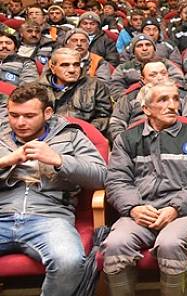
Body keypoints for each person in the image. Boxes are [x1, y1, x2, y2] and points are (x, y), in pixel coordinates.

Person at [102, 80, 187, 295]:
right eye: (163, 100)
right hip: (140, 212)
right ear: (145, 109)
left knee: (170, 243)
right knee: (115, 243)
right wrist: (134, 208)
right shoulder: (127, 139)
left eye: (175, 98)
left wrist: (176, 208)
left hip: (186, 212)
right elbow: (117, 180)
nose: (173, 105)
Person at [0, 83, 107, 296]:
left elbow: (101, 176)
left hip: (49, 218)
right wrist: (6, 161)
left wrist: (58, 160)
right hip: (2, 214)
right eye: (14, 115)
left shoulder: (71, 135)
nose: (20, 123)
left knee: (69, 261)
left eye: (29, 116)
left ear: (47, 113)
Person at [109, 61, 187, 141]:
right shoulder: (130, 97)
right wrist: (126, 143)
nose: (160, 78)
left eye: (163, 73)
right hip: (137, 141)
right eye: (153, 75)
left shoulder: (183, 95)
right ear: (142, 79)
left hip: (176, 140)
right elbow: (116, 123)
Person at [39, 48, 112, 135]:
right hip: (47, 136)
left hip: (84, 137)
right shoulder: (37, 89)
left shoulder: (96, 85)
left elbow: (104, 116)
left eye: (76, 65)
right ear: (52, 68)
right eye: (65, 65)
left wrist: (84, 132)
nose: (72, 70)